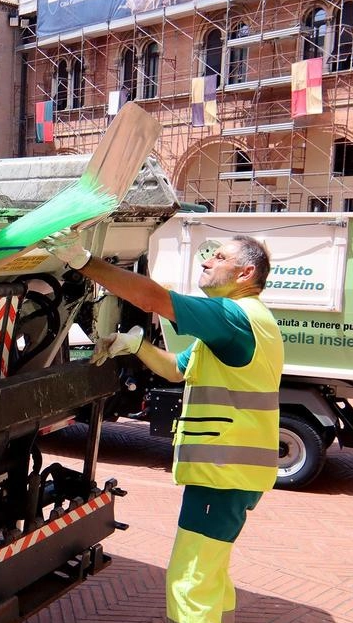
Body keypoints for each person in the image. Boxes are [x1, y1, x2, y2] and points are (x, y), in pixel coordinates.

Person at [44, 230, 283, 623]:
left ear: (246, 273)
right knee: (210, 572)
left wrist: (85, 261)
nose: (206, 261)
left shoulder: (236, 317)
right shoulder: (241, 325)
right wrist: (135, 345)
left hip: (222, 474)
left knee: (189, 581)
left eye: (219, 257)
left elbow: (152, 298)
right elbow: (176, 369)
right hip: (232, 473)